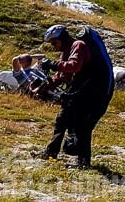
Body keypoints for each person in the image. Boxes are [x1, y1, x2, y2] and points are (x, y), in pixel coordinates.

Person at [36, 24, 113, 168]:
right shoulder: (67, 51)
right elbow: (63, 74)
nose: (54, 46)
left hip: (91, 92)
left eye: (54, 42)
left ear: (62, 38)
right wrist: (45, 87)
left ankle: (84, 162)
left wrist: (52, 64)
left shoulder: (79, 45)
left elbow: (74, 66)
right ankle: (50, 152)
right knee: (61, 120)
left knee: (82, 126)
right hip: (78, 90)